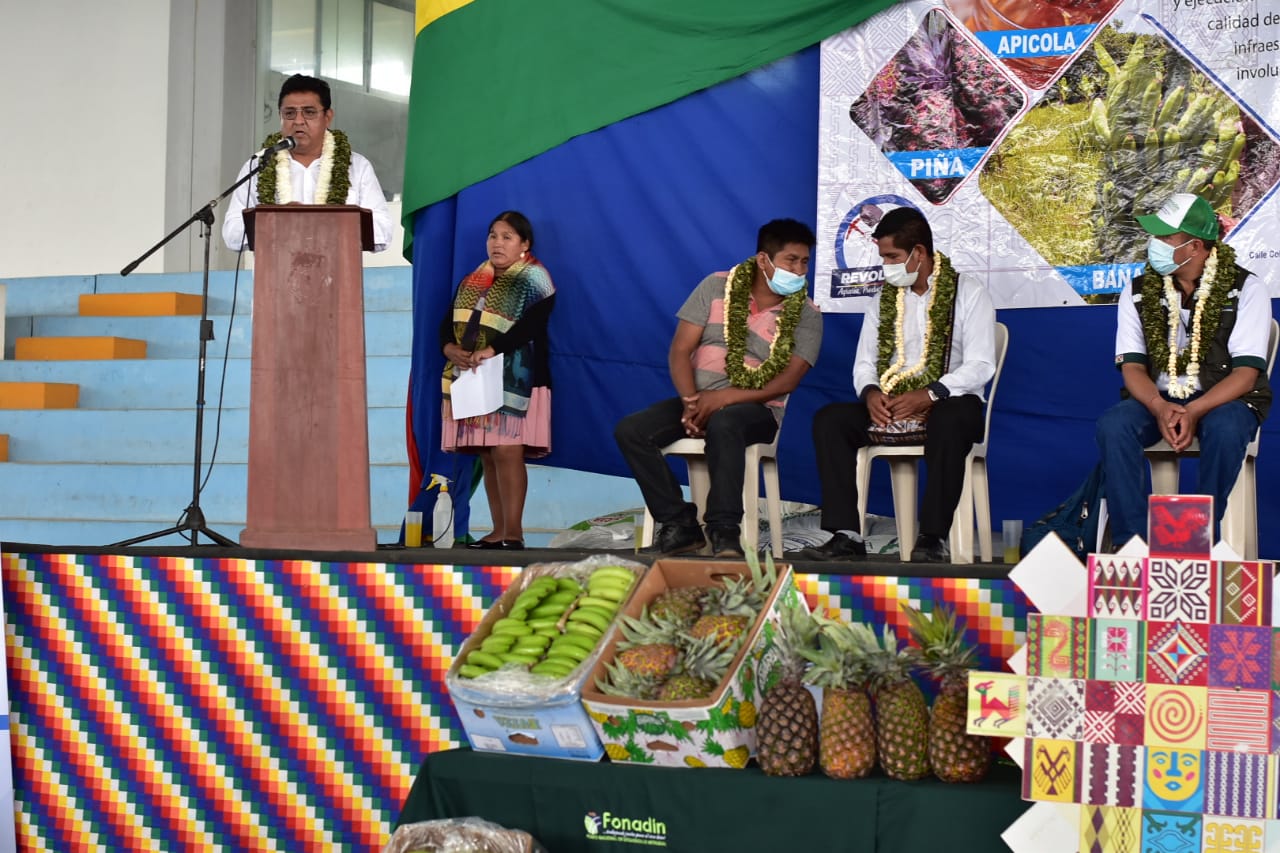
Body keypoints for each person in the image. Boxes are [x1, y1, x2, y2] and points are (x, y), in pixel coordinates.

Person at [798, 206, 996, 563]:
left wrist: (931, 393)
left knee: (951, 419)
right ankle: (847, 535)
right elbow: (864, 362)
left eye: (892, 257)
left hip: (952, 401)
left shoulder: (968, 292)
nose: (886, 265)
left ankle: (932, 537)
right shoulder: (884, 299)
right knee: (830, 420)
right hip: (893, 404)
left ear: (919, 253)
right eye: (883, 257)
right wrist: (871, 393)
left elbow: (981, 364)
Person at [614, 219, 823, 557]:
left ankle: (724, 531)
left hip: (758, 410)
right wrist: (691, 401)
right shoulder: (716, 286)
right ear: (763, 259)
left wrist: (723, 398)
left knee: (726, 422)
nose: (799, 270)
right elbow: (680, 350)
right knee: (632, 430)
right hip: (697, 400)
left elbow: (788, 381)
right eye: (791, 261)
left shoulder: (808, 313)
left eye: (804, 262)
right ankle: (680, 524)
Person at [1096, 192, 1271, 548]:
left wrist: (1194, 410)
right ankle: (1131, 545)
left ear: (1195, 247)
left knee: (1225, 428)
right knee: (1114, 425)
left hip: (1225, 399)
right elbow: (1132, 367)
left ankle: (1195, 541)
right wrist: (1160, 406)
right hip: (1156, 398)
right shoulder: (1138, 291)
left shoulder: (1246, 289)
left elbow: (1246, 374)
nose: (1155, 244)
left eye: (1165, 238)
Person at [441, 211, 556, 550]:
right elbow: (448, 321)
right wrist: (448, 348)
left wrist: (492, 349)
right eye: (493, 235)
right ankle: (498, 530)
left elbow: (531, 327)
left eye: (507, 237)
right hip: (476, 378)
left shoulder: (536, 280)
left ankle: (514, 533)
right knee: (488, 455)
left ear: (524, 244)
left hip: (518, 379)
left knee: (507, 451)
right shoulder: (473, 280)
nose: (497, 243)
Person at [222, 74, 393, 252]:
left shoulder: (357, 167)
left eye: (309, 112)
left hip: (338, 268)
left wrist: (331, 224)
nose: (298, 121)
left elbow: (383, 230)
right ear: (280, 116)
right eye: (289, 113)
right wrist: (277, 221)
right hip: (276, 268)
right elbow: (232, 233)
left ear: (327, 117)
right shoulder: (259, 166)